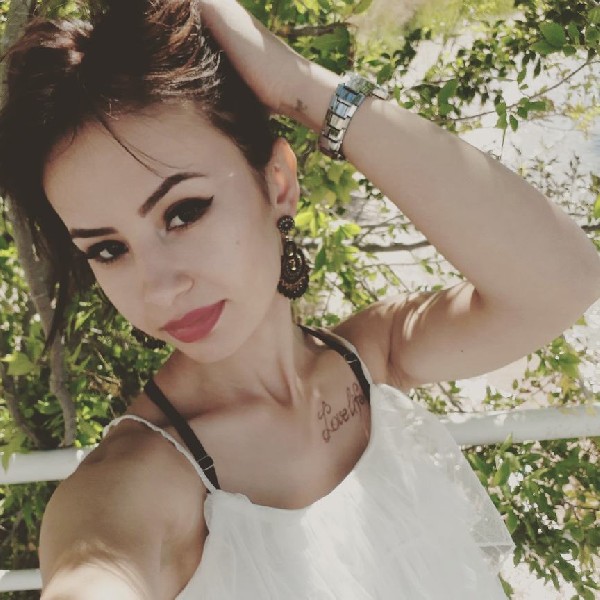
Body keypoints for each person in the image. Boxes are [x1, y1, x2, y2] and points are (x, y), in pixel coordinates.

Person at [1, 0, 599, 598]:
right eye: (108, 249)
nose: (157, 287)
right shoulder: (136, 483)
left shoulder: (371, 359)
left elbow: (563, 282)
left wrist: (300, 87)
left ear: (278, 183)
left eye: (183, 212)